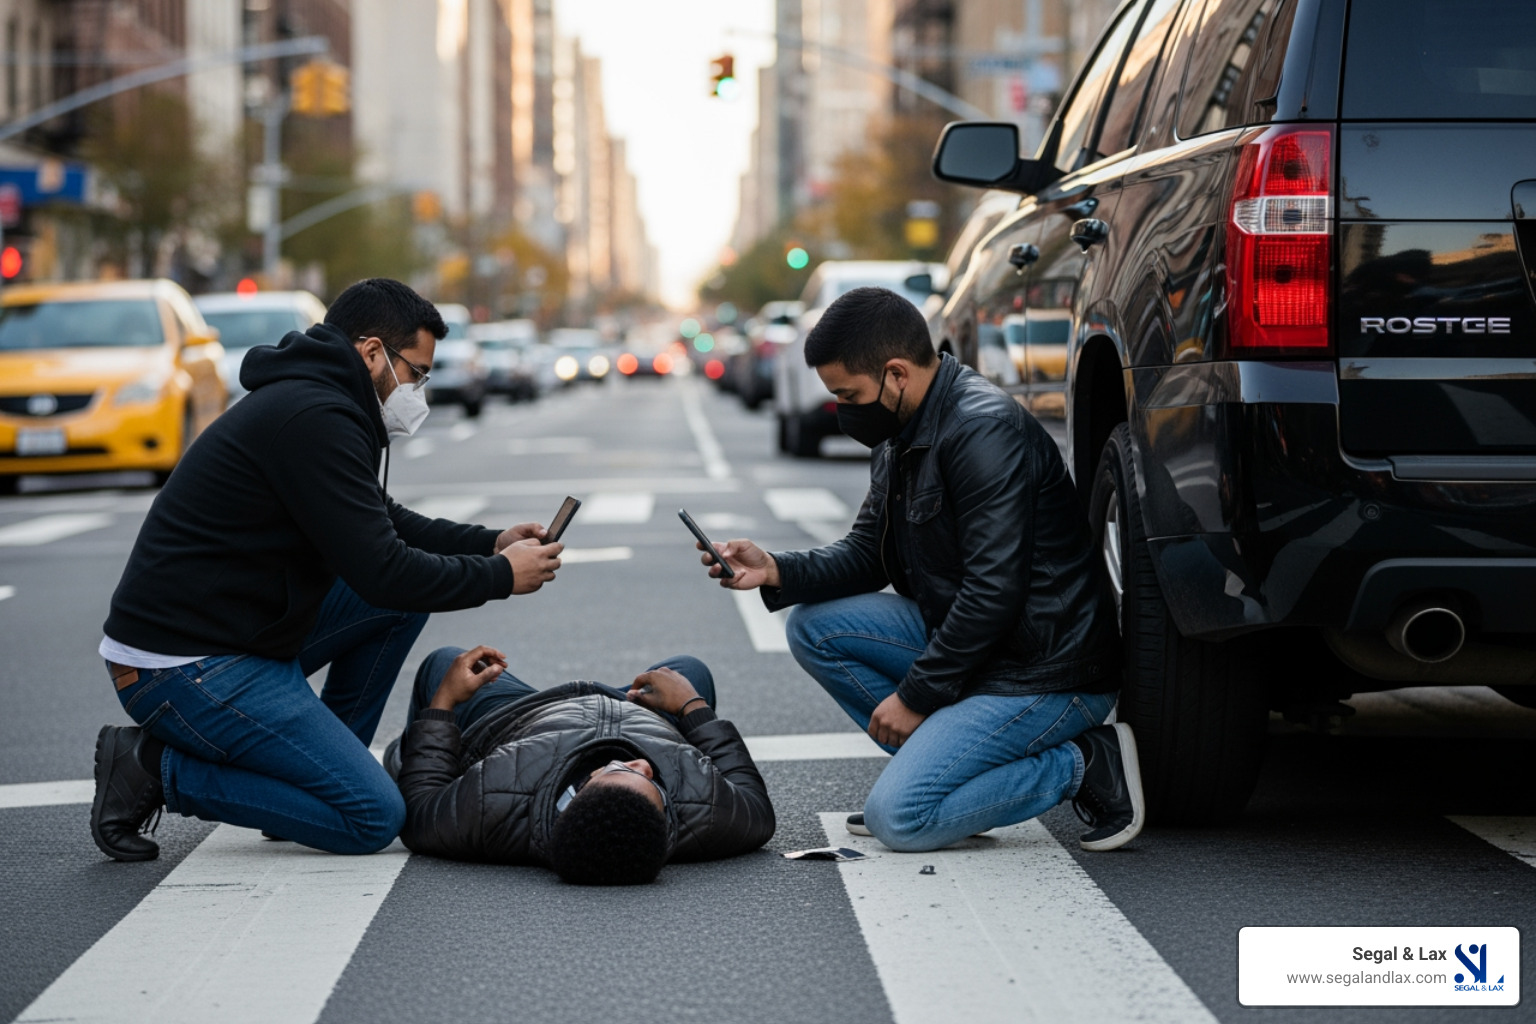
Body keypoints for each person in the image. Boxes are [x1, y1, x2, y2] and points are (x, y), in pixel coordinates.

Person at [91, 278, 564, 862]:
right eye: (416, 372)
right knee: (371, 818)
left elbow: (380, 521)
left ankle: (312, 780)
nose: (419, 390)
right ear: (371, 353)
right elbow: (383, 569)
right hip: (183, 665)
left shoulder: (324, 402)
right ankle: (151, 769)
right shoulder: (313, 415)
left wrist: (490, 542)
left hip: (238, 632)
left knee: (401, 601)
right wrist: (500, 577)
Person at [699, 286, 1143, 853]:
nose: (843, 410)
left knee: (900, 820)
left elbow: (993, 592)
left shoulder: (983, 431)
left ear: (896, 374)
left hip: (1046, 672)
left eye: (849, 394)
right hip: (983, 652)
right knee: (813, 627)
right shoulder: (900, 429)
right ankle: (952, 782)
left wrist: (915, 697)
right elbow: (869, 553)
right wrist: (776, 570)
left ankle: (1084, 764)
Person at [386, 645, 775, 885]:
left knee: (445, 661)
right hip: (641, 714)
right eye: (655, 787)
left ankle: (398, 753)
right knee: (688, 669)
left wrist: (441, 705)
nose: (643, 765)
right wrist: (692, 707)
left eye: (621, 769)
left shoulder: (488, 805)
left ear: (579, 790)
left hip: (520, 717)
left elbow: (420, 807)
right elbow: (755, 802)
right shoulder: (712, 817)